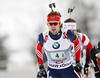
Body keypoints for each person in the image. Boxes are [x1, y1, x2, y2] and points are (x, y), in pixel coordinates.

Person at [35, 10, 82, 78]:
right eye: (50, 24)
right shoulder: (43, 36)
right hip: (53, 71)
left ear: (60, 24)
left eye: (55, 23)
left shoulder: (67, 34)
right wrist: (41, 67)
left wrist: (77, 62)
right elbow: (38, 49)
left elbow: (77, 43)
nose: (53, 26)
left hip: (68, 70)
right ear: (47, 25)